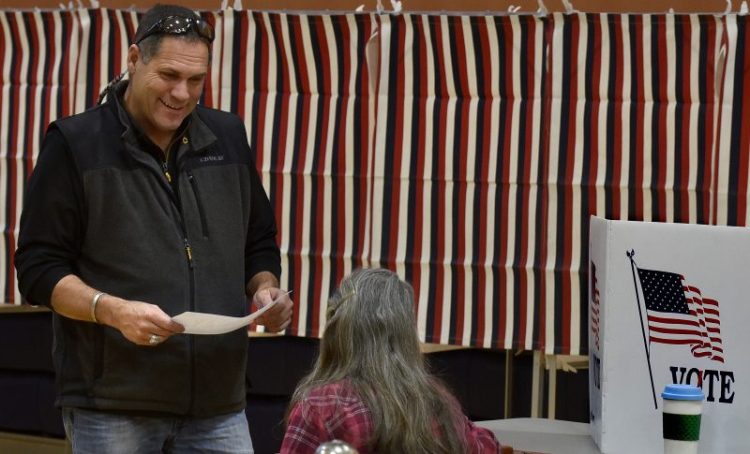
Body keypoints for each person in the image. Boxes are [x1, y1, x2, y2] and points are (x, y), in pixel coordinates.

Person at [14, 4, 293, 453]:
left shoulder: (228, 136)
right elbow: (37, 267)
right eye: (168, 75)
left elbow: (258, 241)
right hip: (113, 405)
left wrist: (265, 288)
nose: (182, 93)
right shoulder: (75, 143)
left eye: (196, 80)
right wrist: (111, 310)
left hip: (219, 403)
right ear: (133, 60)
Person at [280, 268, 502, 454]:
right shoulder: (437, 402)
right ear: (406, 333)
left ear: (337, 330)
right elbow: (488, 447)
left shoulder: (320, 406)